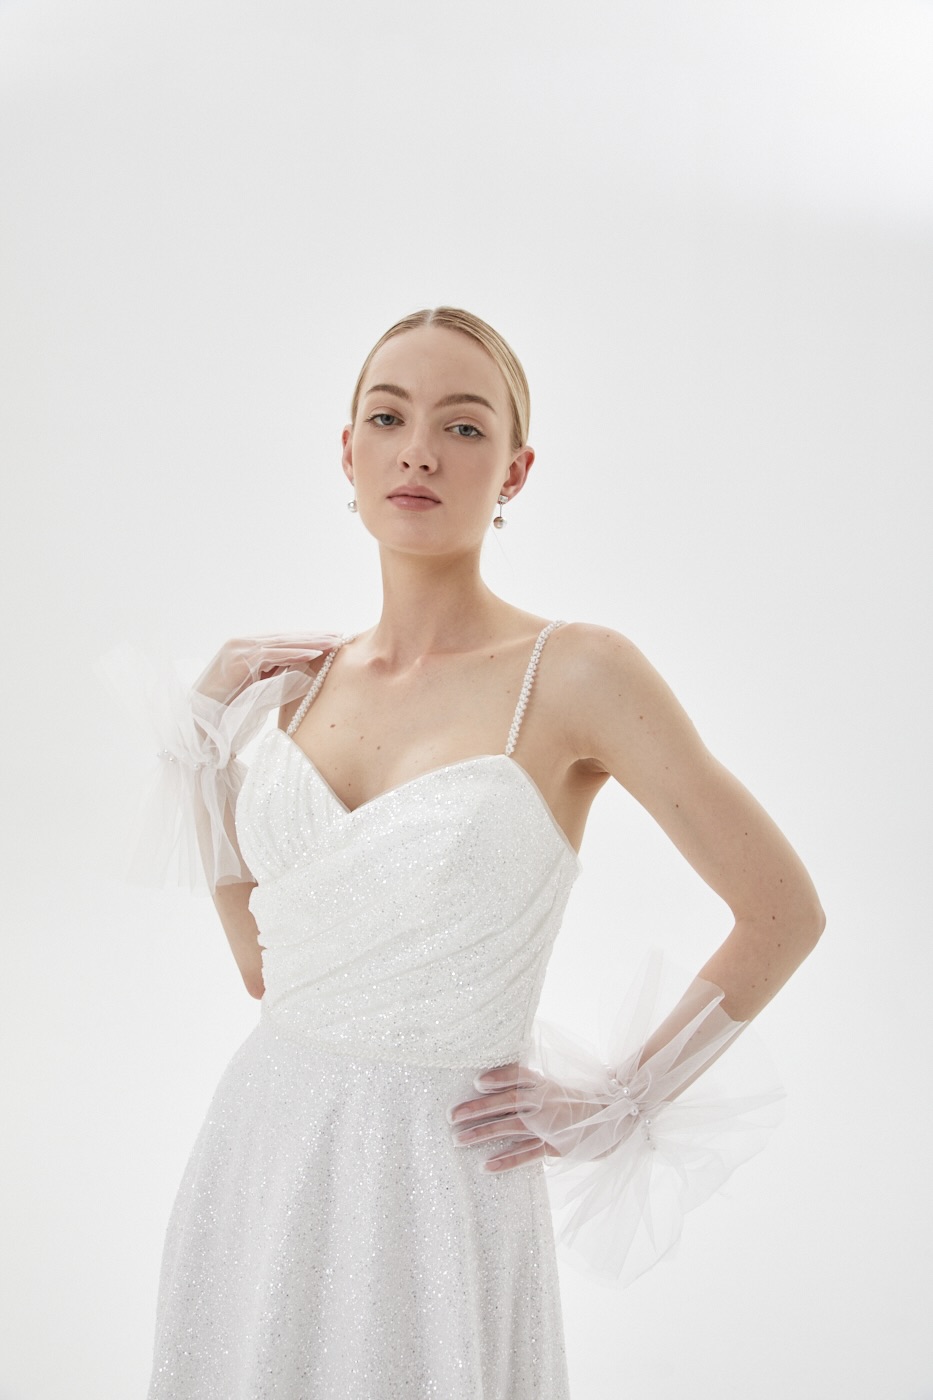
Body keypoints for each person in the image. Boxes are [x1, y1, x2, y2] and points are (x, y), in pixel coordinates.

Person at [139, 306, 825, 1399]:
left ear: (515, 469)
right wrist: (202, 750)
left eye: (462, 426)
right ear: (348, 452)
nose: (418, 449)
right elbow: (269, 973)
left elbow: (783, 911)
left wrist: (620, 1099)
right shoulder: (299, 690)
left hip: (439, 1178)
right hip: (261, 1152)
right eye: (388, 417)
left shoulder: (579, 672)